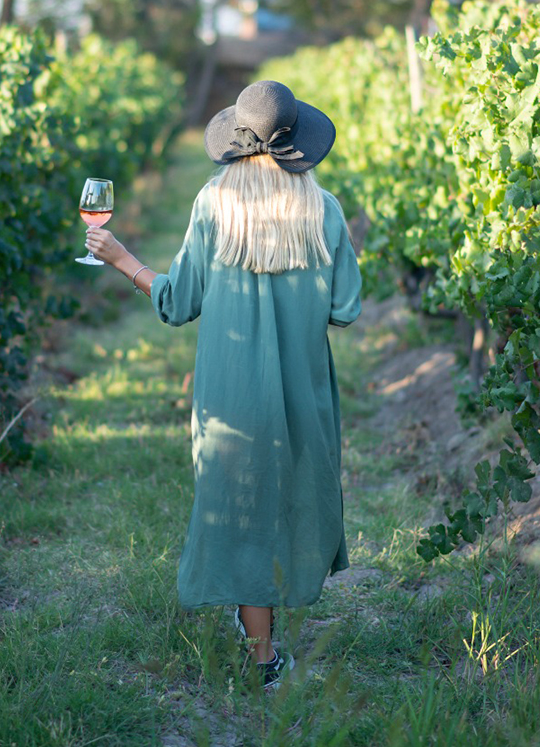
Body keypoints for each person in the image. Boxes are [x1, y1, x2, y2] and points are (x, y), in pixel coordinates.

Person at [85, 79, 362, 691]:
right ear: (298, 141)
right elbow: (345, 307)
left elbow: (178, 302)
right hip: (303, 386)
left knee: (240, 497)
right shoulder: (325, 208)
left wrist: (123, 258)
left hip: (229, 388)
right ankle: (268, 624)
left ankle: (262, 652)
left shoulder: (214, 203)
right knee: (291, 490)